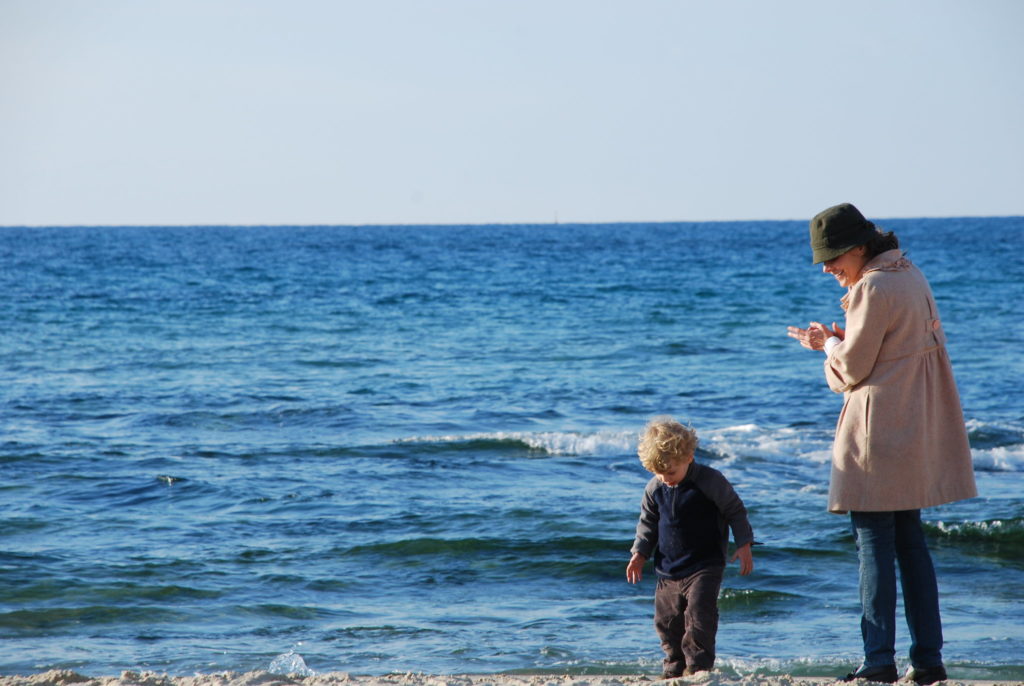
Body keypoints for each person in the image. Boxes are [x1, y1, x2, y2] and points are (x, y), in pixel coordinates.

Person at [787, 203, 977, 685]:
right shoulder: (908, 273)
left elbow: (850, 370)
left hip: (879, 433)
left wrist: (826, 345)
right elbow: (894, 347)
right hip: (916, 425)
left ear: (856, 248)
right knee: (912, 546)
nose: (828, 269)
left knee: (873, 546)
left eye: (831, 259)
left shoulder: (872, 286)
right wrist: (845, 339)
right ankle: (929, 660)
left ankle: (877, 662)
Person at [626, 417, 754, 677]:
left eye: (670, 472)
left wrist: (744, 543)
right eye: (658, 473)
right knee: (666, 622)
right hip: (668, 568)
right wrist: (639, 553)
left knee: (699, 618)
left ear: (689, 457)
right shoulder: (655, 488)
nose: (665, 479)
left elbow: (735, 511)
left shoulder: (710, 481)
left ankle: (698, 669)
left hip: (705, 565)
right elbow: (648, 524)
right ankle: (673, 667)